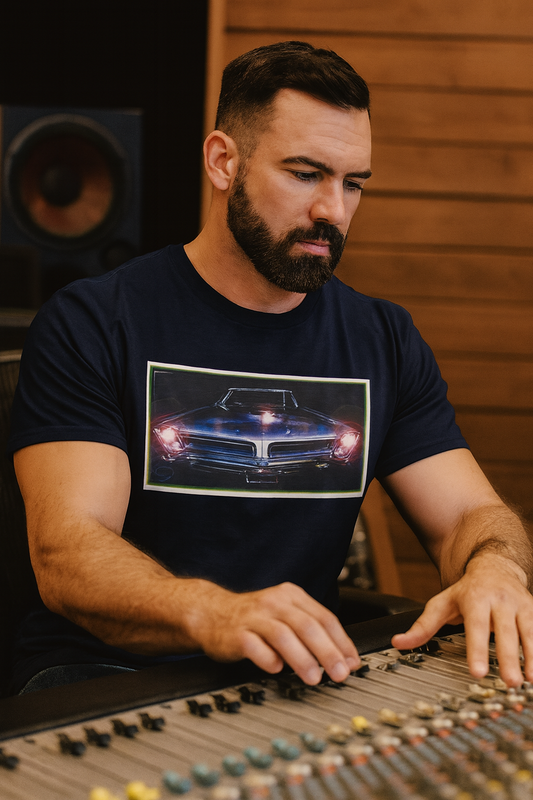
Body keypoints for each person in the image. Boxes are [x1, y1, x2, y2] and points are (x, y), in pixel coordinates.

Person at [8, 41, 533, 695]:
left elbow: (467, 516)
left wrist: (495, 567)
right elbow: (67, 552)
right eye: (305, 173)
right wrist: (215, 613)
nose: (332, 211)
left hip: (287, 685)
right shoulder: (95, 320)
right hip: (102, 680)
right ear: (223, 161)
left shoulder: (383, 337)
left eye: (353, 183)